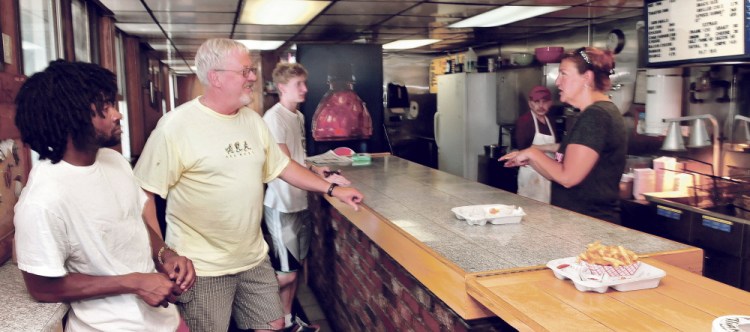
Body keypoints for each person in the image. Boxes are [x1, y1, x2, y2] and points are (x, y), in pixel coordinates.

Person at [133, 38, 364, 332]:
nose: (253, 77)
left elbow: (283, 166)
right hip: (202, 268)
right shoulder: (175, 127)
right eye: (245, 71)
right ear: (215, 77)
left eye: (252, 70)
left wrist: (332, 189)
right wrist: (163, 253)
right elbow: (143, 195)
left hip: (253, 259)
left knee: (274, 325)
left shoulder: (252, 121)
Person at [13, 60, 195, 331]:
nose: (117, 115)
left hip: (165, 321)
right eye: (104, 108)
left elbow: (133, 224)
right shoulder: (43, 199)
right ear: (72, 118)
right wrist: (135, 282)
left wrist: (165, 255)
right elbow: (41, 287)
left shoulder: (114, 161)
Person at [263, 62, 349, 331]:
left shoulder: (297, 117)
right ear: (281, 88)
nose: (305, 89)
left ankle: (288, 321)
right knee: (285, 275)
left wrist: (315, 168)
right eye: (298, 84)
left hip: (300, 203)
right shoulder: (273, 118)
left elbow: (298, 159)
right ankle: (261, 316)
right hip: (282, 207)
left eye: (304, 83)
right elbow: (284, 165)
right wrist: (327, 184)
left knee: (295, 270)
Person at [500, 47, 626, 224]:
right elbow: (559, 174)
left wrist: (533, 152)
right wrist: (532, 160)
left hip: (590, 226)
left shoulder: (596, 116)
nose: (558, 82)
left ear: (587, 78)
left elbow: (567, 178)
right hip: (580, 224)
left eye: (563, 74)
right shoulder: (596, 112)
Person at [513, 86, 558, 203]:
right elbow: (522, 151)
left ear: (550, 103)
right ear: (530, 103)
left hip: (550, 174)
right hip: (531, 174)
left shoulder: (551, 121)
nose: (541, 106)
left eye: (545, 102)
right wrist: (550, 148)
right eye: (537, 102)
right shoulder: (524, 122)